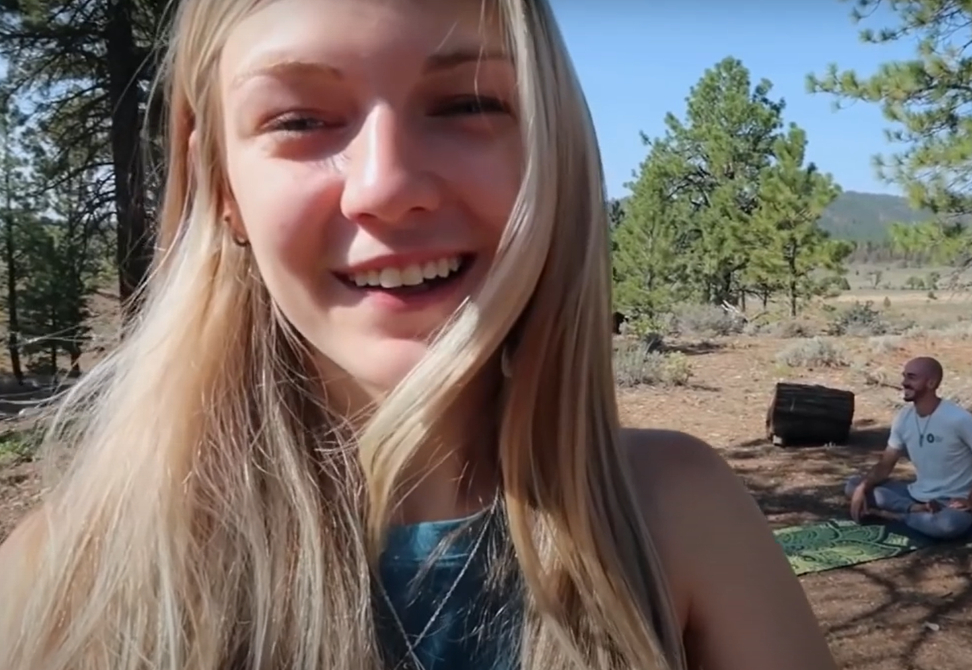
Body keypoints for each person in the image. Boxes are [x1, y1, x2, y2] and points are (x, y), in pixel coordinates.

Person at [0, 1, 837, 669]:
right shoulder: (66, 582)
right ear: (221, 181)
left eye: (468, 102)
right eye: (298, 120)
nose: (388, 186)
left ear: (550, 150)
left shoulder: (671, 516)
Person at [846, 356, 972, 540]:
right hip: (915, 494)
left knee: (948, 525)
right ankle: (915, 510)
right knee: (852, 485)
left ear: (931, 383)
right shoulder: (903, 417)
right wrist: (862, 488)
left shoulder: (957, 419)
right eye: (904, 376)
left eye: (912, 377)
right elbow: (885, 465)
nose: (904, 383)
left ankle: (896, 515)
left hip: (951, 503)